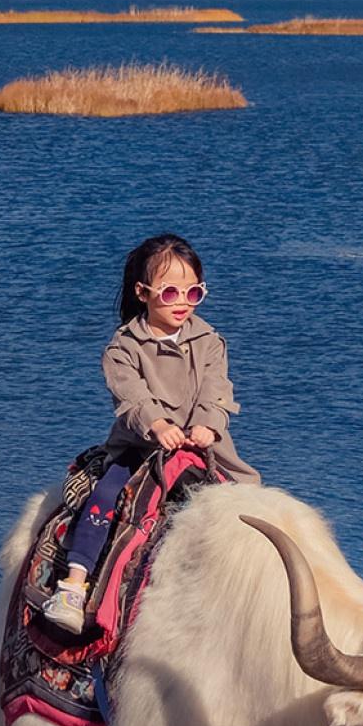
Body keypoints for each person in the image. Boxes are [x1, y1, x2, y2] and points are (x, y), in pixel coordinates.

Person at [42, 233, 260, 633]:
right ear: (142, 293)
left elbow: (217, 388)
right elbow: (131, 397)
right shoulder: (123, 347)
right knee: (106, 496)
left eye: (193, 292)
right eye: (170, 291)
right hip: (141, 448)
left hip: (204, 447)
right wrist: (157, 425)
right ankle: (74, 584)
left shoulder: (209, 342)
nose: (182, 302)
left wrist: (207, 426)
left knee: (251, 508)